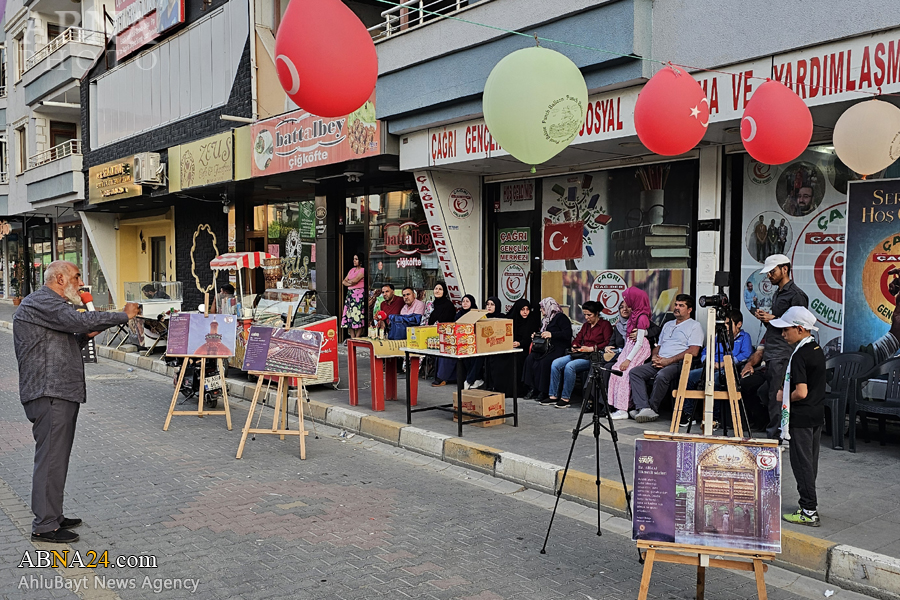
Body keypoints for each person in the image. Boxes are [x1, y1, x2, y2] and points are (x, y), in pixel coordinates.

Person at [13, 261, 140, 543]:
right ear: (59, 278)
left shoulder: (52, 306)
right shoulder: (44, 301)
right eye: (76, 276)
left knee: (57, 458)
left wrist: (85, 335)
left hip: (60, 391)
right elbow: (78, 321)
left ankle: (53, 515)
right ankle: (44, 525)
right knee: (50, 459)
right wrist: (121, 314)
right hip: (49, 392)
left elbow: (69, 337)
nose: (81, 282)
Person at [741, 254, 809, 439]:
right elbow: (780, 325)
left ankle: (778, 436)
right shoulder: (779, 293)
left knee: (775, 395)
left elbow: (799, 328)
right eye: (769, 272)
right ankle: (780, 431)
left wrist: (774, 319)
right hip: (772, 351)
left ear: (784, 269)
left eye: (772, 271)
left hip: (783, 352)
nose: (769, 275)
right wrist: (767, 319)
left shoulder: (796, 295)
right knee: (768, 393)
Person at [769, 307, 826, 527]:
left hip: (801, 418)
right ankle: (808, 504)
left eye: (786, 330)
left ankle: (809, 510)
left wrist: (784, 396)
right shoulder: (816, 348)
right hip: (816, 415)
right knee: (810, 463)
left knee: (802, 464)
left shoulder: (800, 354)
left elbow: (801, 391)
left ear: (800, 329)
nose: (783, 334)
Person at [628, 294, 704, 423]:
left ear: (689, 310)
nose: (677, 308)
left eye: (681, 305)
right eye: (676, 305)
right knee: (635, 372)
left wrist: (668, 361)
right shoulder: (668, 324)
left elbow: (694, 351)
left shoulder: (694, 326)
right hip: (660, 360)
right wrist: (654, 357)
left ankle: (652, 408)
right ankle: (643, 407)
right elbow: (658, 345)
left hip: (678, 363)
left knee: (662, 375)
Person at [682, 310, 754, 426]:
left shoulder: (745, 337)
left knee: (715, 380)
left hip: (729, 369)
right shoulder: (718, 337)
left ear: (739, 324)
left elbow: (745, 355)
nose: (725, 327)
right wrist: (707, 361)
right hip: (711, 366)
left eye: (728, 324)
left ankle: (714, 418)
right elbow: (705, 351)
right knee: (689, 376)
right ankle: (688, 414)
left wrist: (723, 364)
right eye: (723, 324)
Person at [545, 301, 612, 409]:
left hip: (592, 356)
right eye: (585, 314)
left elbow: (608, 342)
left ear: (596, 313)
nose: (586, 317)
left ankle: (565, 398)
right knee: (556, 363)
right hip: (580, 353)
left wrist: (592, 348)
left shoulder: (605, 325)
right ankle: (553, 395)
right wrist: (575, 345)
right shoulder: (586, 326)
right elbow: (578, 338)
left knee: (570, 366)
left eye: (589, 315)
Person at [608, 288, 653, 419]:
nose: (626, 302)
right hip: (630, 346)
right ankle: (620, 406)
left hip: (637, 349)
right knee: (615, 370)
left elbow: (639, 342)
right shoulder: (635, 314)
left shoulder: (642, 317)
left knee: (624, 374)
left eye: (628, 299)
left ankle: (623, 410)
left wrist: (628, 360)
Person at [522, 298, 572, 401]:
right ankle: (532, 388)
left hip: (558, 348)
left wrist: (552, 334)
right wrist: (537, 335)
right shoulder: (546, 320)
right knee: (530, 358)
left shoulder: (561, 318)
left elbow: (567, 334)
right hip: (545, 348)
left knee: (544, 362)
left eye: (542, 308)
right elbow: (544, 334)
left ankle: (543, 391)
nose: (541, 310)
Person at [433, 294, 479, 387]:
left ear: (472, 303)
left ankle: (443, 377)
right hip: (458, 341)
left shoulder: (476, 314)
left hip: (471, 343)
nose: (464, 303)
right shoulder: (458, 315)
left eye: (467, 301)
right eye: (463, 301)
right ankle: (443, 377)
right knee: (444, 352)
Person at [341, 253, 366, 338]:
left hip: (358, 294)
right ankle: (352, 337)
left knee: (358, 314)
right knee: (349, 314)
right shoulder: (352, 270)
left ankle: (357, 337)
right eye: (354, 259)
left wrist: (349, 282)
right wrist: (350, 282)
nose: (354, 261)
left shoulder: (362, 270)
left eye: (356, 259)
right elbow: (343, 281)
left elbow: (355, 280)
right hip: (350, 294)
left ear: (360, 260)